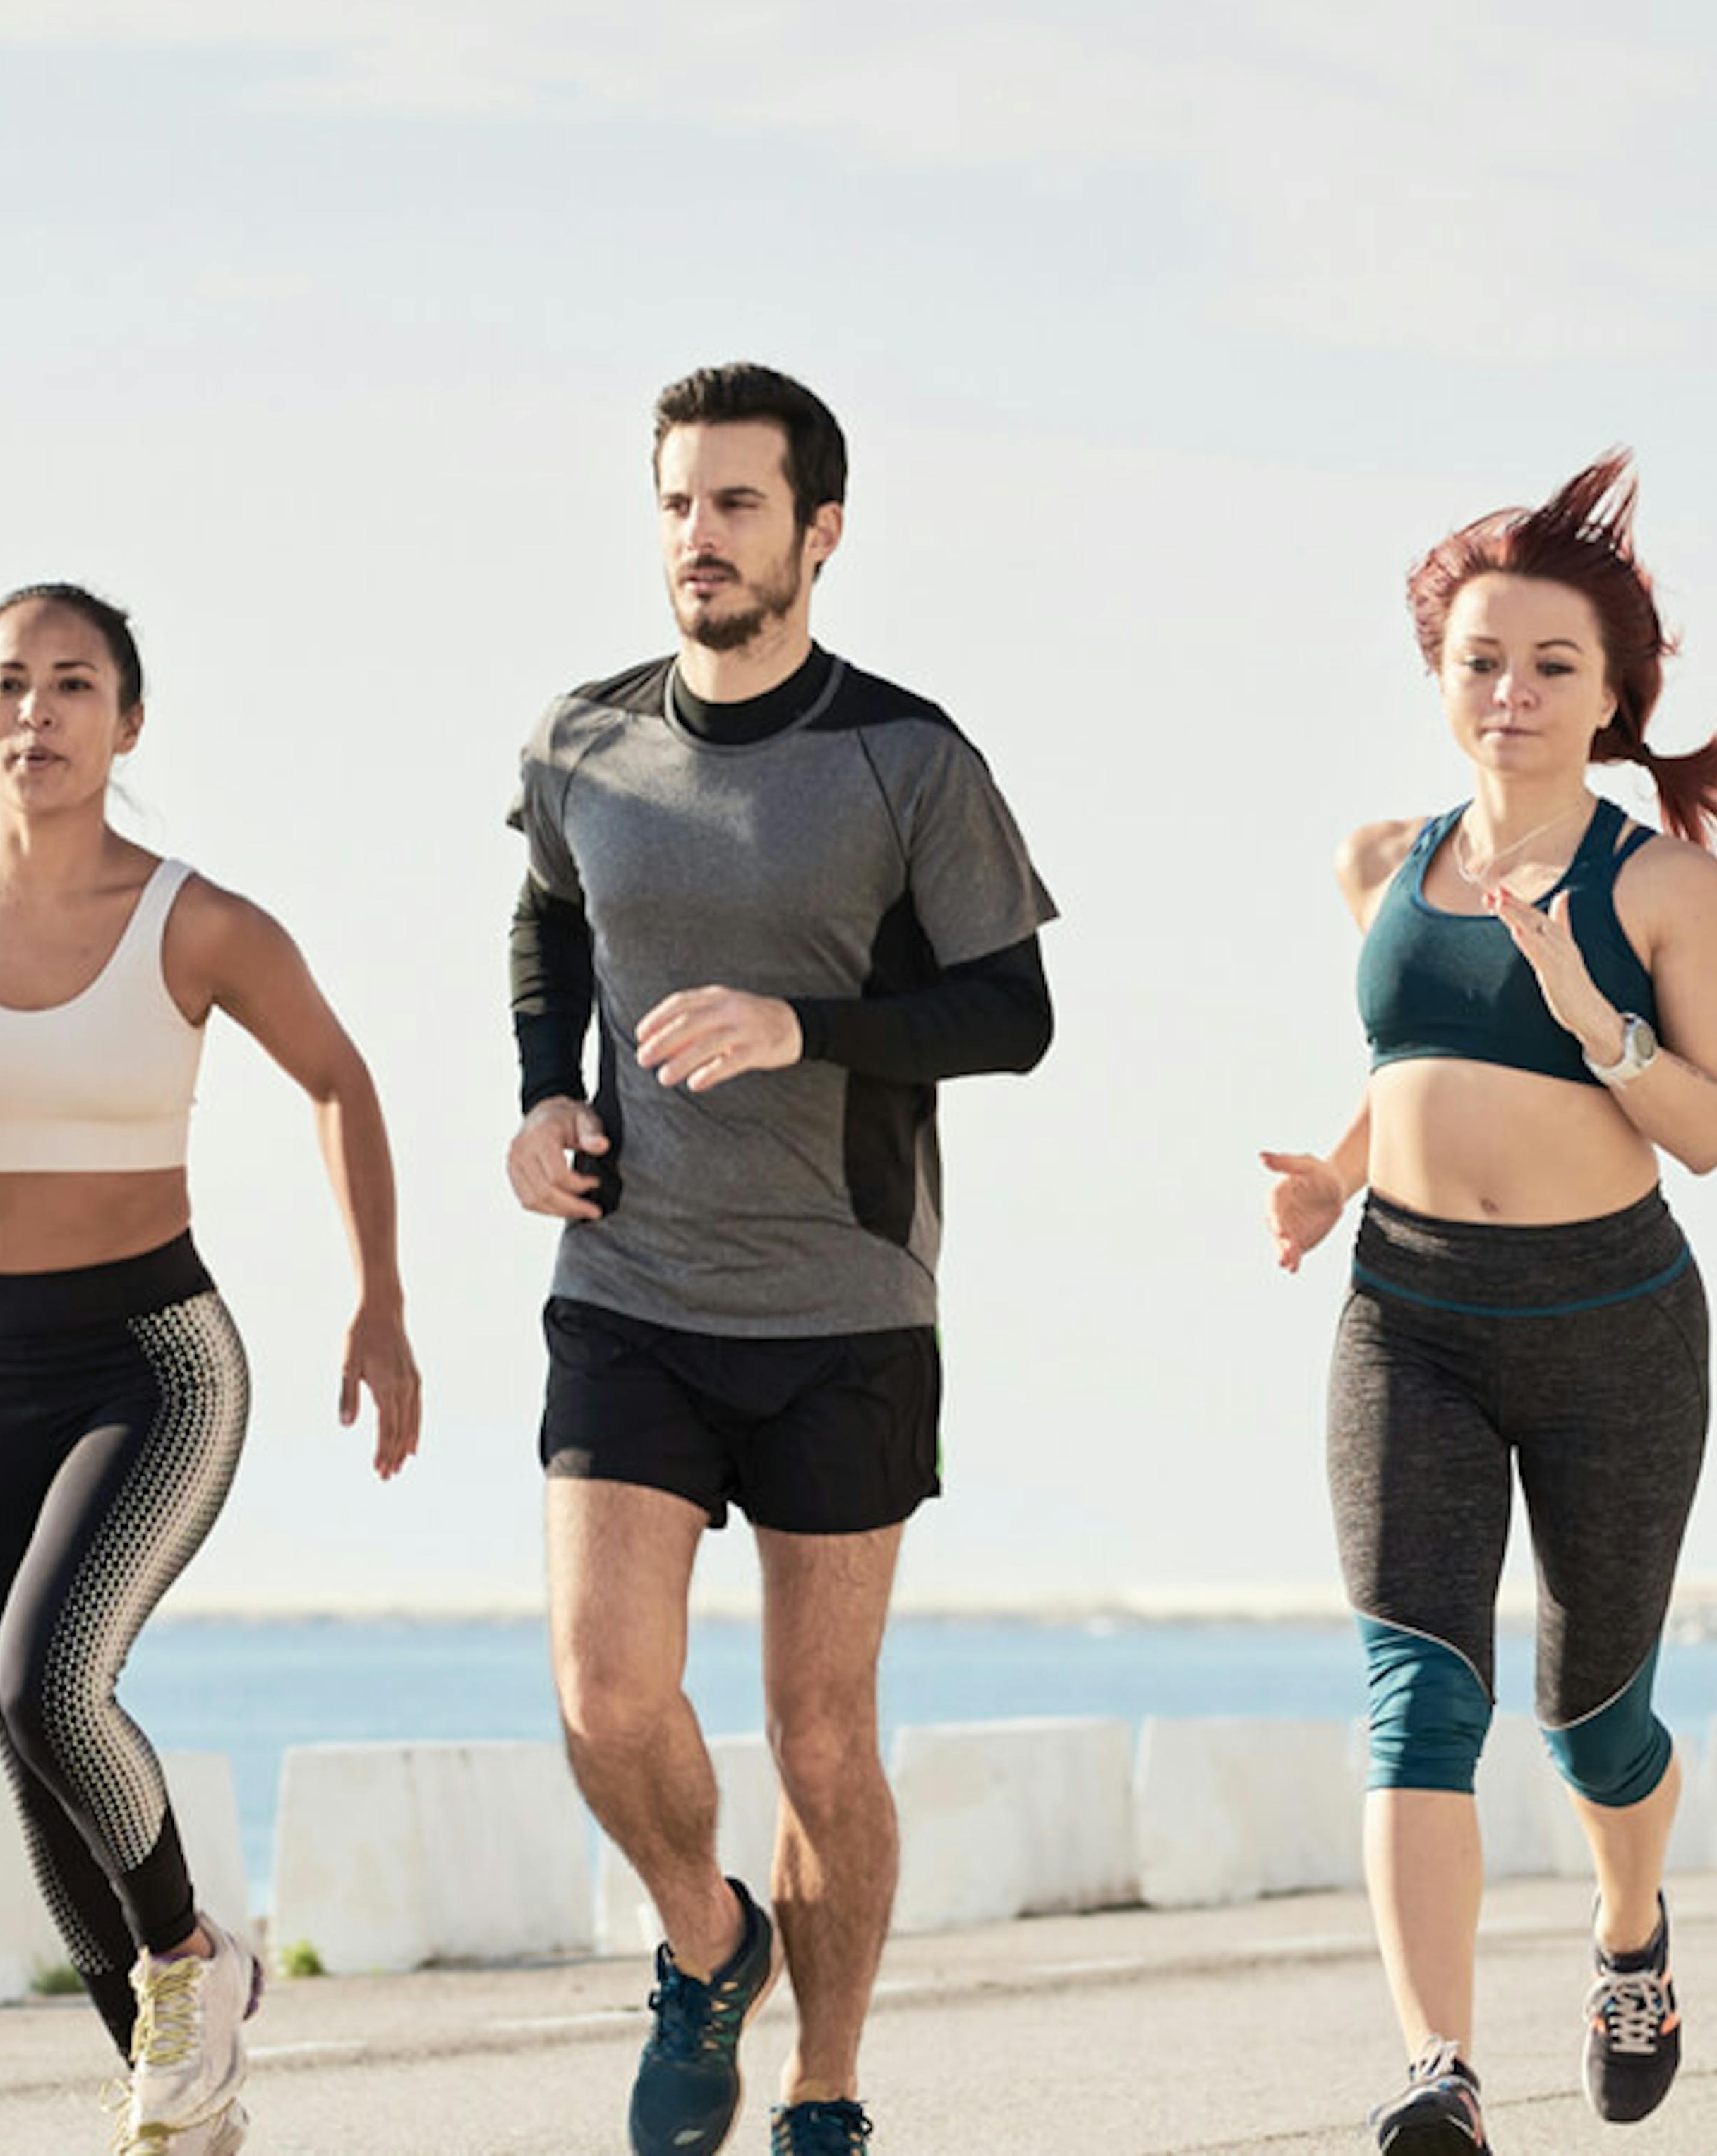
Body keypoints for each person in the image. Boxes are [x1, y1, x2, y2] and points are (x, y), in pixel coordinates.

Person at [506, 363, 1056, 2156]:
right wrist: (537, 1099)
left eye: (738, 505)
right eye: (677, 501)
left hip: (844, 1309)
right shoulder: (582, 739)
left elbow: (1013, 1013)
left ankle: (824, 2090)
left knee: (822, 1740)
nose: (700, 537)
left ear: (819, 531)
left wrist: (798, 1025)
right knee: (604, 1693)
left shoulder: (910, 757)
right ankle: (706, 1939)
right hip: (632, 1289)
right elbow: (548, 920)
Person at [0, 582, 420, 2156]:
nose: (38, 713)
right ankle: (181, 2101)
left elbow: (338, 1076)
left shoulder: (195, 920)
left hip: (153, 1358)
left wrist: (380, 1304)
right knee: (35, 1760)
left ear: (127, 721)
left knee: (49, 1680)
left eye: (73, 685)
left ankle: (189, 1960)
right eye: (8, 685)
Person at [1259, 457, 1717, 2154]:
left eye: (1552, 663)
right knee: (1419, 1694)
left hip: (1611, 1320)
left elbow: (1712, 1125)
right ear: (1439, 674)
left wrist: (1588, 1006)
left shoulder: (1665, 887)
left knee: (1594, 1719)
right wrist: (1334, 1175)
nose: (1514, 692)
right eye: (1482, 658)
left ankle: (1632, 1934)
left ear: (1614, 691)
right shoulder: (1379, 860)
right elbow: (1411, 1059)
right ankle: (1438, 2072)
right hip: (1408, 1310)